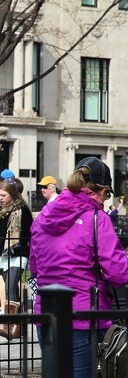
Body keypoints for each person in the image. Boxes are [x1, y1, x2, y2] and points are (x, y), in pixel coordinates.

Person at [30, 157, 128, 377]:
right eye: (107, 194)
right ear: (100, 191)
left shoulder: (40, 219)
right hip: (84, 315)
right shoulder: (97, 219)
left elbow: (35, 268)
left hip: (46, 313)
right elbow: (119, 273)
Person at [0, 178, 33, 338]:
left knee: (10, 287)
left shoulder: (21, 209)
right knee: (11, 289)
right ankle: (17, 325)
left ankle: (10, 324)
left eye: (3, 195)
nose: (0, 198)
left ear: (12, 194)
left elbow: (29, 233)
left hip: (18, 252)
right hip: (2, 252)